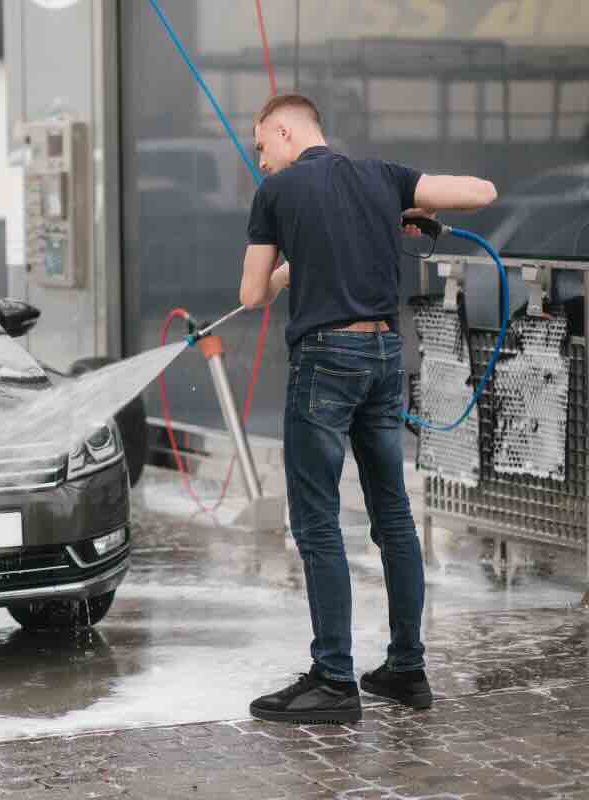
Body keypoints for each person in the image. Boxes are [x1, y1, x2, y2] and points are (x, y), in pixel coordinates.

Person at [239, 93, 497, 724]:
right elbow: (483, 192)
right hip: (384, 357)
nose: (261, 160)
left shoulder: (275, 194)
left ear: (284, 128)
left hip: (325, 363)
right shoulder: (383, 177)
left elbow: (250, 295)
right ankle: (407, 669)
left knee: (319, 524)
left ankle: (333, 681)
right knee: (394, 517)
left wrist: (288, 266)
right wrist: (404, 204)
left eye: (260, 146)